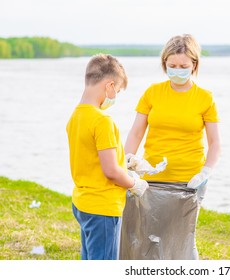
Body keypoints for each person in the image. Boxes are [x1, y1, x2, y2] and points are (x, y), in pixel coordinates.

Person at [123, 34, 221, 259]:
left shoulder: (204, 98)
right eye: (172, 65)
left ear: (194, 65)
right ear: (164, 63)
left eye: (183, 66)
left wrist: (205, 172)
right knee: (148, 238)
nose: (177, 70)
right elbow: (136, 131)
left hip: (189, 181)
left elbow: (215, 143)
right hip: (151, 178)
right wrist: (127, 159)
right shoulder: (153, 93)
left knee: (182, 241)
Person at [66, 54, 149, 260]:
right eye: (118, 91)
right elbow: (111, 171)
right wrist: (134, 183)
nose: (115, 96)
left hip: (83, 203)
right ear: (110, 85)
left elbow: (91, 157)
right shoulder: (102, 121)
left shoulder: (75, 116)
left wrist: (125, 161)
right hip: (103, 207)